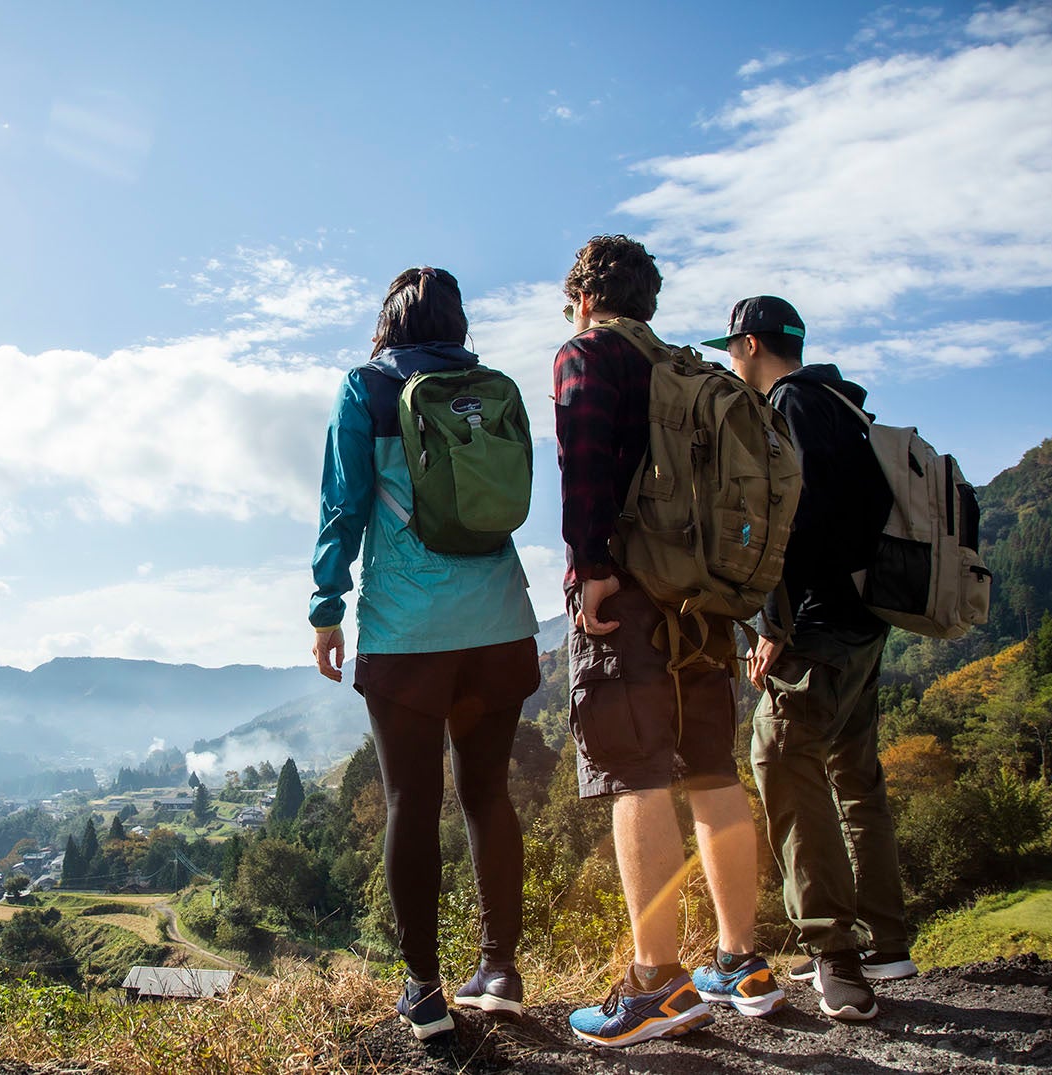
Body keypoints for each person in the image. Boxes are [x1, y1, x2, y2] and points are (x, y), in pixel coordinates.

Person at [554, 236, 784, 1048]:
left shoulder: (588, 354)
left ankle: (655, 982)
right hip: (705, 599)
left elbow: (583, 466)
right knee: (712, 768)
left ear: (584, 298)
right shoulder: (690, 370)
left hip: (629, 594)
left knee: (634, 774)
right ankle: (740, 961)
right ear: (646, 301)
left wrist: (590, 568)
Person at [310, 266, 541, 1040]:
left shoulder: (367, 388)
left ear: (390, 322)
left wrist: (325, 605)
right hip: (500, 621)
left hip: (409, 633)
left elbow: (342, 504)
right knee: (488, 794)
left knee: (411, 800)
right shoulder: (491, 391)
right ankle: (499, 970)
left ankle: (424, 990)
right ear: (456, 322)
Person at [703, 295, 917, 1023]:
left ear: (751, 344)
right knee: (856, 778)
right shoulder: (841, 402)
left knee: (780, 759)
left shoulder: (788, 405)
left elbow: (793, 518)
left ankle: (834, 956)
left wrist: (774, 622)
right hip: (865, 621)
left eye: (733, 349)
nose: (733, 363)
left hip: (817, 627)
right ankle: (887, 942)